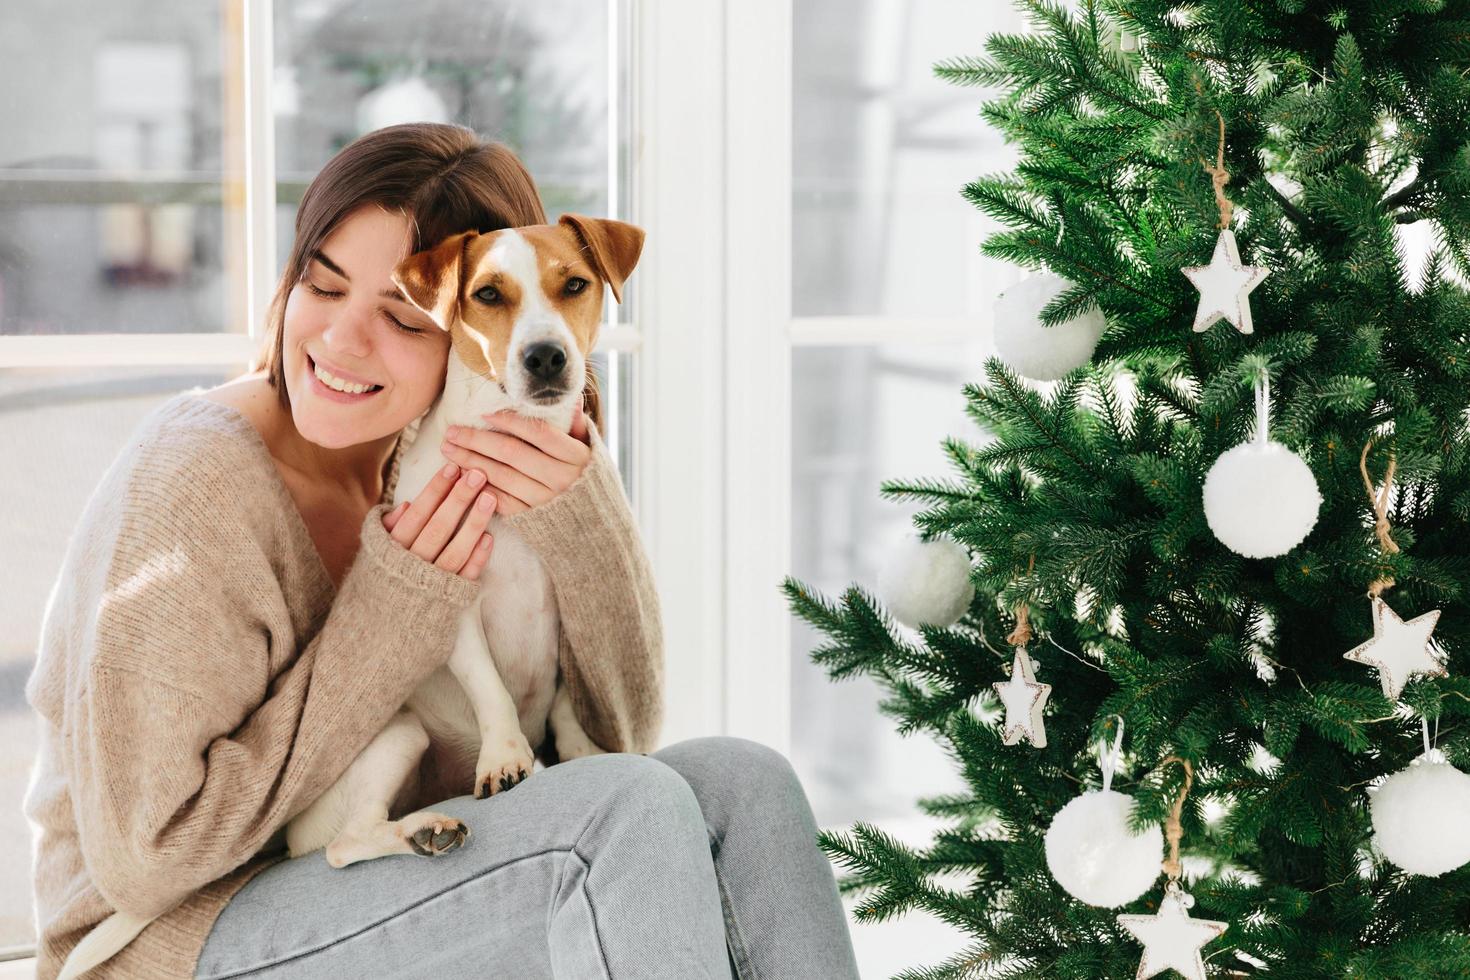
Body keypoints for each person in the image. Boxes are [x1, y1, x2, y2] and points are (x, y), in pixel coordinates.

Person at [22, 122, 862, 979]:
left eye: (398, 316)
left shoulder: (458, 456)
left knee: (743, 785)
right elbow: (145, 857)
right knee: (625, 812)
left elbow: (618, 736)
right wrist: (392, 613)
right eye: (321, 284)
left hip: (389, 877)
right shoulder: (193, 482)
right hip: (164, 943)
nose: (342, 342)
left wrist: (582, 511)